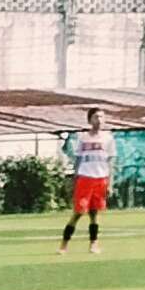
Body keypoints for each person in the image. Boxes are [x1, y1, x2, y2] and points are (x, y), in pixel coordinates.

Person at [59, 109, 114, 257]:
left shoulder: (108, 138)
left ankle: (93, 243)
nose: (99, 120)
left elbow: (110, 160)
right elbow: (78, 159)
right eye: (96, 117)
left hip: (101, 179)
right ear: (89, 120)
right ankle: (64, 244)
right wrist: (74, 179)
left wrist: (110, 182)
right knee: (78, 212)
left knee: (94, 214)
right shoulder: (83, 138)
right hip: (85, 177)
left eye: (102, 117)